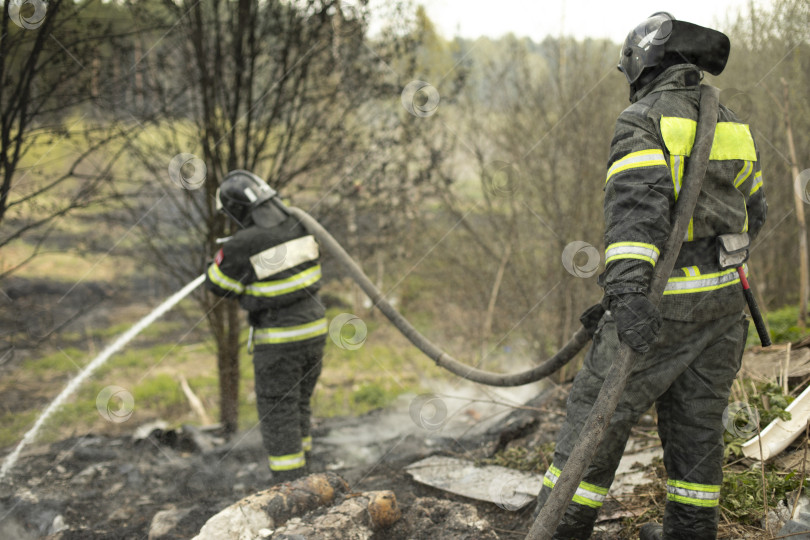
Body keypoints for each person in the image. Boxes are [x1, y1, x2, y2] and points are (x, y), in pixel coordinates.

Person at [534, 13, 767, 540]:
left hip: (659, 315)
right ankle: (689, 533)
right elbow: (758, 215)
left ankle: (558, 530)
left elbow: (637, 214)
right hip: (725, 315)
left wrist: (630, 293)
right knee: (698, 432)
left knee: (594, 422)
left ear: (641, 62)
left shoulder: (642, 120)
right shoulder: (733, 123)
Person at [205, 170, 327, 483]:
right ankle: (308, 473)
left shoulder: (242, 244)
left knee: (278, 410)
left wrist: (224, 258)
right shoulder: (299, 223)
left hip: (280, 340)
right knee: (299, 403)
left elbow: (218, 285)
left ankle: (291, 486)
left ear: (237, 210)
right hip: (314, 331)